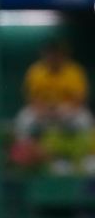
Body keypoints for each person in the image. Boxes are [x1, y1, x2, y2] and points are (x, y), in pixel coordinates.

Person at [12, 41, 93, 173]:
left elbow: (80, 99)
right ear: (44, 55)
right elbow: (30, 98)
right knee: (24, 118)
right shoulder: (36, 71)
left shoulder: (74, 71)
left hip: (67, 111)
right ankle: (24, 156)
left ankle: (87, 159)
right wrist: (42, 110)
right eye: (50, 54)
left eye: (57, 54)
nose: (53, 57)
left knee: (85, 119)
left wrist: (65, 111)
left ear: (63, 56)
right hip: (42, 110)